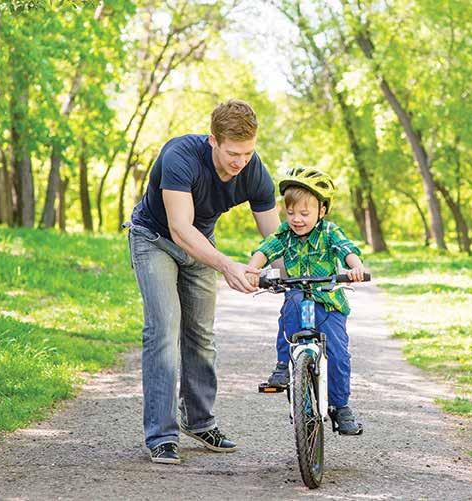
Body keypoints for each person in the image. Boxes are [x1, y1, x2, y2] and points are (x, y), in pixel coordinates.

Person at [127, 99, 281, 464]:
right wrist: (227, 266)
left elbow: (276, 238)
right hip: (155, 240)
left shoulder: (254, 171)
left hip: (200, 247)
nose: (240, 162)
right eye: (232, 153)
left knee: (201, 336)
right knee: (164, 330)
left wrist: (288, 271)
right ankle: (161, 436)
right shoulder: (181, 155)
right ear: (213, 140)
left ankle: (199, 422)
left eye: (247, 152)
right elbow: (180, 229)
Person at [246, 167, 365, 435]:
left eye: (304, 213)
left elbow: (348, 251)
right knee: (291, 304)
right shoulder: (285, 234)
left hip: (329, 302)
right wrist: (253, 270)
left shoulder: (330, 232)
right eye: (290, 213)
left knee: (338, 353)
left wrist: (355, 267)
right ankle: (283, 366)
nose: (296, 219)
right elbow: (265, 250)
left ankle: (340, 407)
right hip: (298, 294)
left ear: (322, 211)